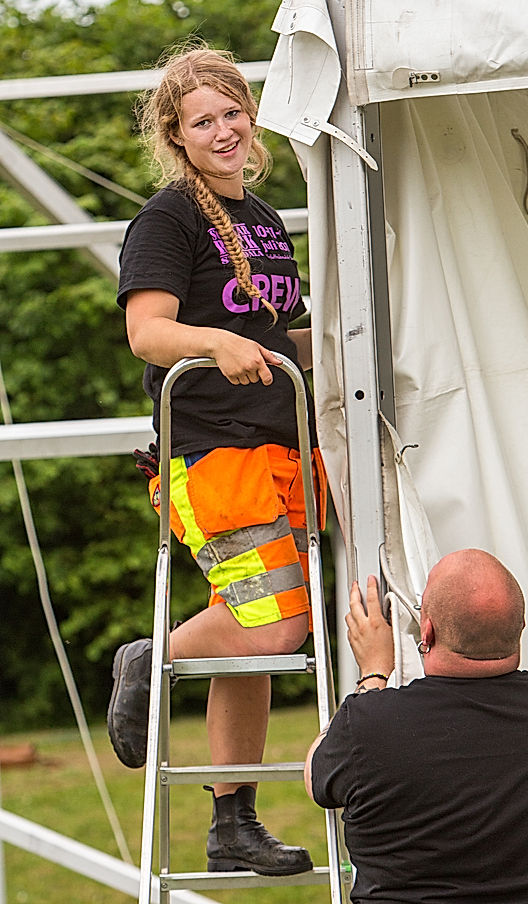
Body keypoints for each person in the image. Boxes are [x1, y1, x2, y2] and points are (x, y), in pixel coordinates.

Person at [107, 44, 326, 877]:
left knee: (260, 636)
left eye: (233, 112)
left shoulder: (265, 222)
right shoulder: (168, 220)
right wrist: (216, 341)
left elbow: (281, 339)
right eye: (204, 121)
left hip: (280, 443)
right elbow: (148, 331)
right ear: (177, 134)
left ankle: (233, 823)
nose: (225, 130)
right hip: (213, 449)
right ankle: (148, 657)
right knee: (273, 625)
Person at [306, 550, 528, 903]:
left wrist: (374, 673)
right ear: (521, 627)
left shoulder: (370, 726)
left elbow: (316, 777)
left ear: (427, 629)